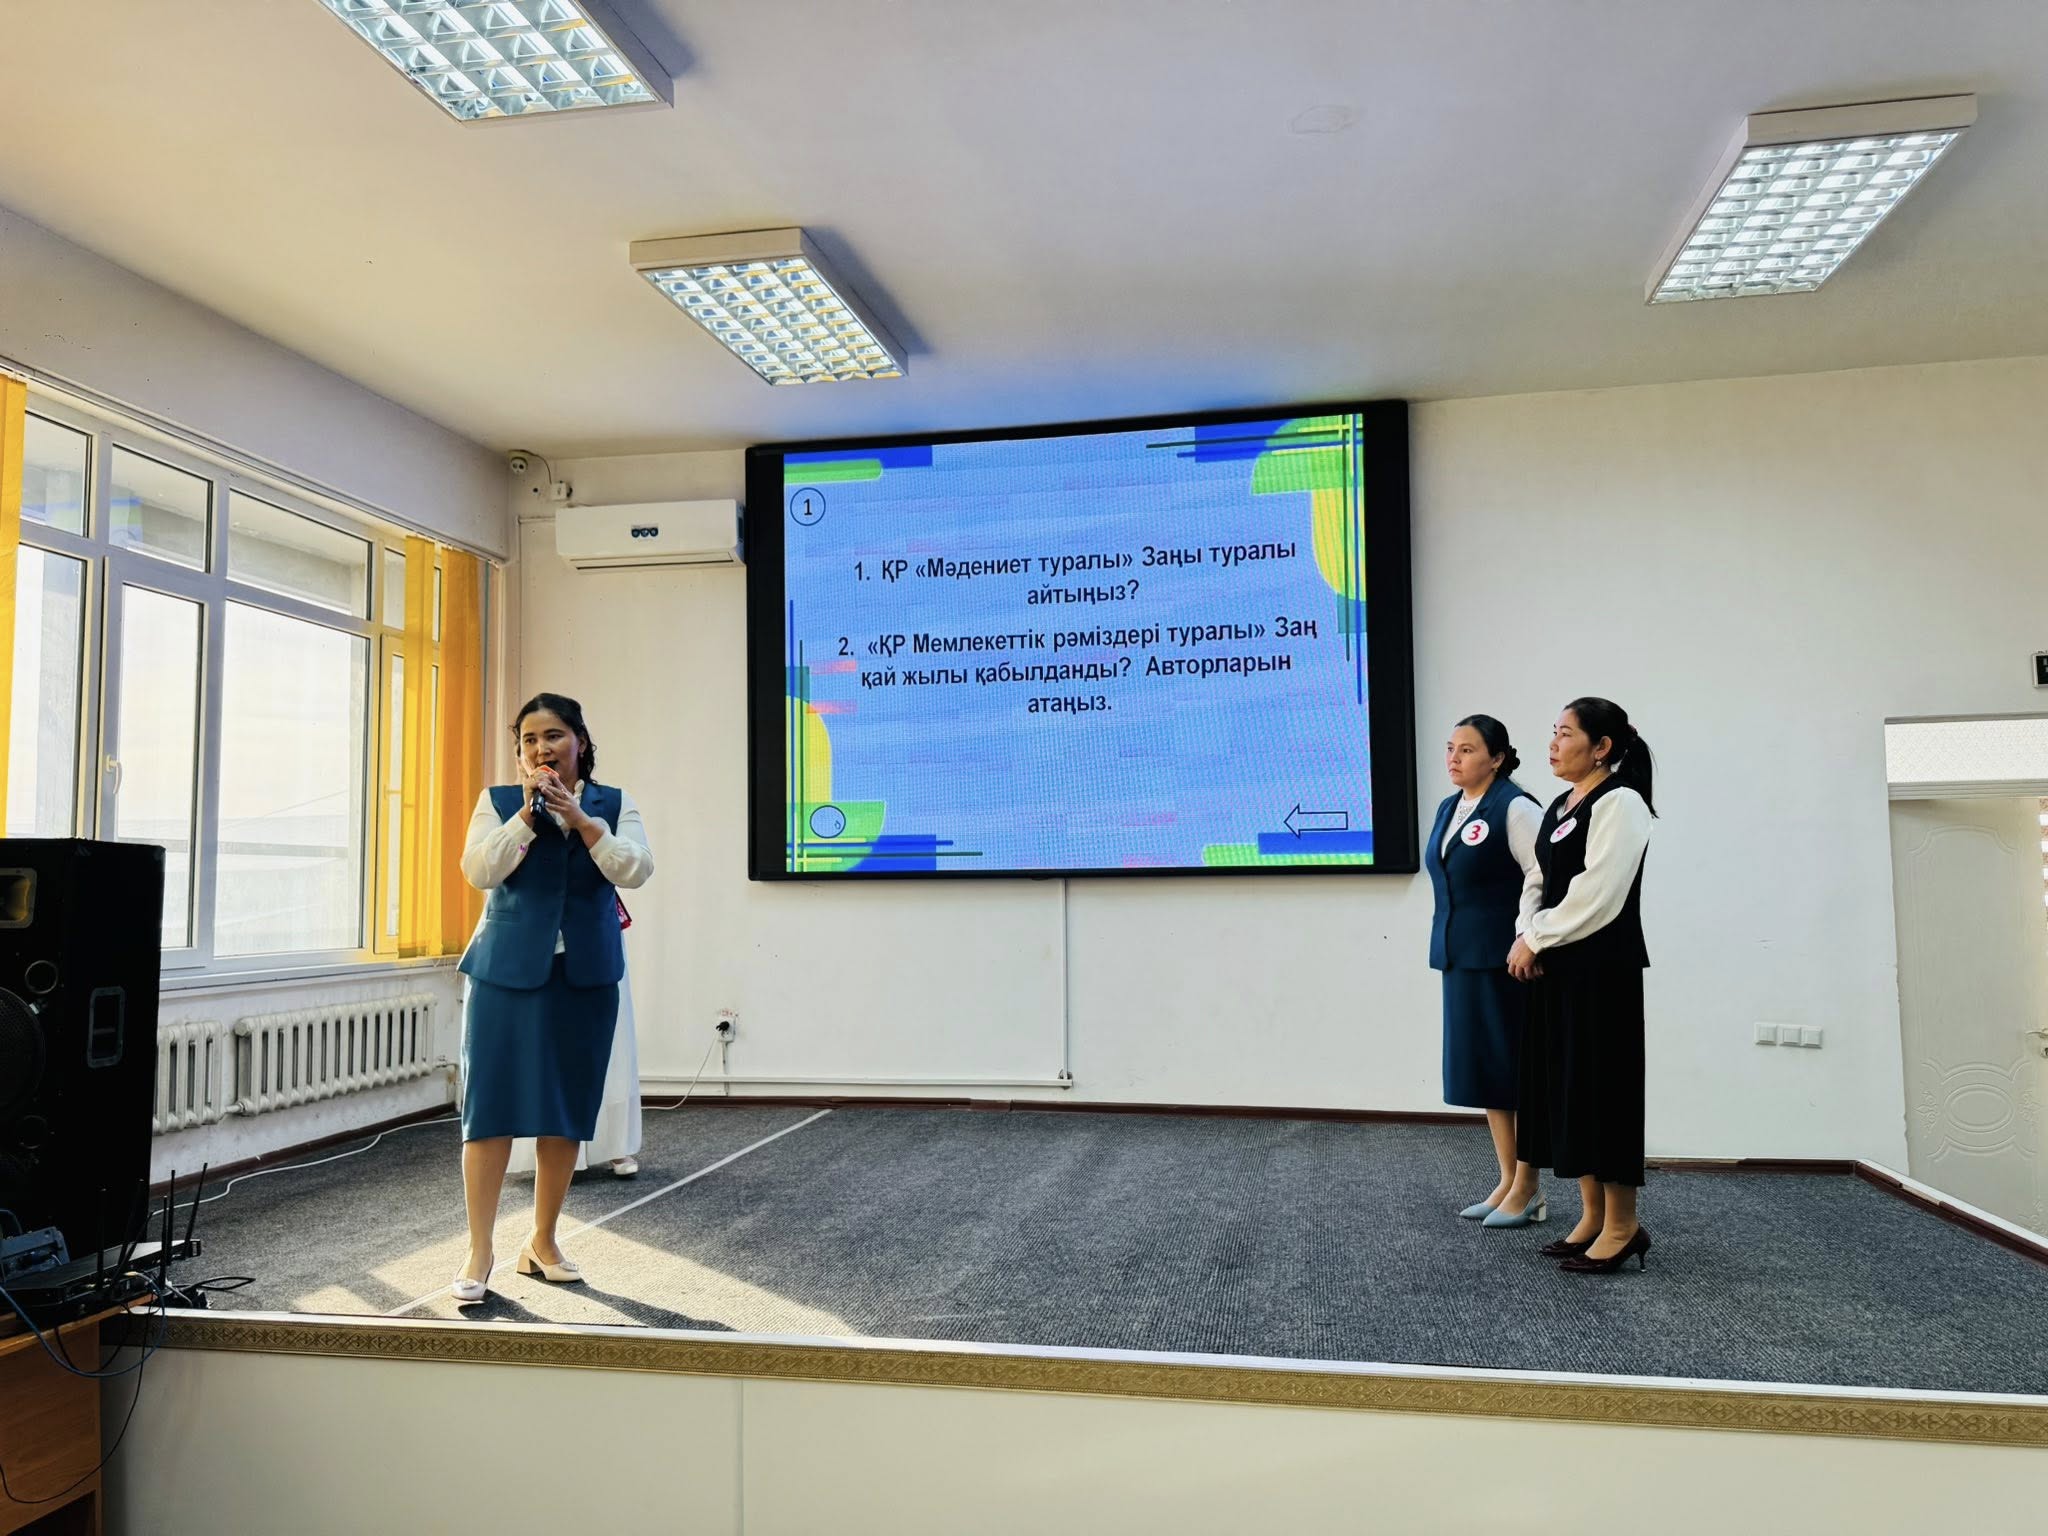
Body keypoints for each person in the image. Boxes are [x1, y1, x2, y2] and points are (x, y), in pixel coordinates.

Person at [450, 693, 653, 1303]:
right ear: (520, 753)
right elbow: (480, 871)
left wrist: (582, 820)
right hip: (504, 975)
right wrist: (528, 818)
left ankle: (542, 1241)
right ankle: (480, 1249)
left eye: (555, 736)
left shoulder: (615, 804)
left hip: (584, 977)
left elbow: (635, 870)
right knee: (490, 1112)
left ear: (580, 743)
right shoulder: (497, 803)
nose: (543, 748)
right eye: (530, 740)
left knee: (565, 1111)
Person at [1504, 697, 1656, 1274]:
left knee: (1603, 1093)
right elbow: (1537, 879)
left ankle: (1623, 1225)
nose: (1553, 743)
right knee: (1568, 1092)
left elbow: (1599, 893)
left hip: (1600, 973)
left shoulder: (1621, 802)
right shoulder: (1560, 805)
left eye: (1565, 733)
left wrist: (1538, 937)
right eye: (1553, 731)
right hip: (1556, 968)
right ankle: (1592, 1216)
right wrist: (1528, 933)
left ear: (1602, 748)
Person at [1423, 715, 1544, 1226]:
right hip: (1460, 957)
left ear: (1496, 758)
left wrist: (1528, 936)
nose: (1454, 758)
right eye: (1451, 748)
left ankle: (1529, 1187)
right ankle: (1508, 1180)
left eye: (1468, 749)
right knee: (1486, 1074)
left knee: (1512, 1071)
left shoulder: (1515, 807)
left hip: (1506, 961)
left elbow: (1545, 874)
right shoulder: (1450, 807)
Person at [508, 909, 643, 1182]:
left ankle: (615, 1145)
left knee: (607, 1044)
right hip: (532, 926)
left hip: (594, 924)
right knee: (538, 1047)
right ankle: (541, 1154)